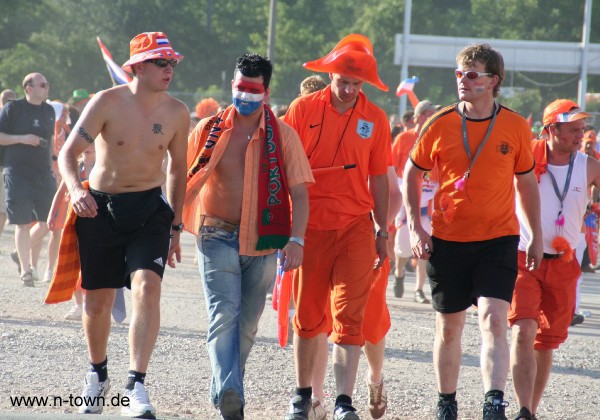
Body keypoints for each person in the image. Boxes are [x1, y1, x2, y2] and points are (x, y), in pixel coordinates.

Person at [403, 43, 543, 420]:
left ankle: (493, 402)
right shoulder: (441, 122)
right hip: (447, 240)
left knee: (494, 319)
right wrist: (417, 226)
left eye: (471, 74)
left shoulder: (515, 125)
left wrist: (536, 235)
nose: (462, 81)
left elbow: (526, 183)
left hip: (498, 239)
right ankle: (446, 402)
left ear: (493, 81)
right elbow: (411, 172)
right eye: (458, 74)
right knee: (449, 327)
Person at [57, 31, 189, 418]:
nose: (170, 70)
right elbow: (69, 153)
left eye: (172, 63)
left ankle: (136, 385)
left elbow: (179, 170)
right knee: (98, 304)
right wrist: (74, 191)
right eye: (162, 63)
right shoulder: (106, 102)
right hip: (99, 208)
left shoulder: (177, 112)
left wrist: (177, 226)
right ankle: (98, 375)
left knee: (147, 287)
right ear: (138, 67)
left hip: (150, 210)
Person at [183, 53, 313, 419]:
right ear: (232, 86)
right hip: (215, 233)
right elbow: (183, 179)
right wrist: (172, 228)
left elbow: (301, 193)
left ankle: (225, 387)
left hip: (263, 240)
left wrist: (297, 240)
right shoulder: (208, 129)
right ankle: (231, 393)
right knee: (224, 313)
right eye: (240, 87)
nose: (245, 95)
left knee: (248, 324)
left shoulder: (283, 136)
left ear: (266, 92)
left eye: (253, 89)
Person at [282, 34, 390, 420]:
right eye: (342, 81)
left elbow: (379, 179)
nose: (348, 90)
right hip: (308, 228)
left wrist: (384, 230)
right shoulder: (301, 108)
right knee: (307, 317)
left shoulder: (376, 119)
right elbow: (280, 169)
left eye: (356, 84)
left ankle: (344, 402)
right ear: (330, 75)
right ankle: (302, 397)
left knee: (350, 319)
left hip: (357, 228)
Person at [508, 99, 597, 420]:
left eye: (582, 129)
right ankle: (521, 409)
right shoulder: (525, 158)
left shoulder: (589, 165)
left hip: (564, 263)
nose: (580, 134)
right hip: (523, 258)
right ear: (550, 130)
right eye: (572, 129)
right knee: (523, 329)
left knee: (545, 342)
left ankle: (530, 409)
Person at [0, 74, 56, 287]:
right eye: (42, 84)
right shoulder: (13, 109)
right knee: (22, 223)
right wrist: (20, 138)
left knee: (50, 222)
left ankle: (18, 251)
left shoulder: (49, 110)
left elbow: (50, 140)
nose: (46, 87)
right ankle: (26, 271)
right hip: (17, 172)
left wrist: (53, 166)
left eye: (47, 84)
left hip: (42, 173)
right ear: (28, 88)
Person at [392, 99, 438, 300]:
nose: (434, 117)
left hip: (429, 200)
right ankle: (399, 273)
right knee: (402, 248)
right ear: (420, 117)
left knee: (425, 245)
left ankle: (419, 289)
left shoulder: (438, 139)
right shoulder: (403, 138)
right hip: (405, 199)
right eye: (430, 113)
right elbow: (391, 168)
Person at [0, 89, 17, 239]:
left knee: (2, 210)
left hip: (7, 167)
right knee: (1, 210)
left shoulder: (14, 119)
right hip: (5, 167)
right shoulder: (10, 118)